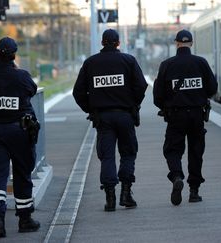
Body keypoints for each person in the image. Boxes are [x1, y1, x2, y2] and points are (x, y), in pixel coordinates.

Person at [73, 29, 148, 212]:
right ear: (118, 43)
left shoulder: (91, 63)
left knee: (107, 156)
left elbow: (78, 92)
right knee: (128, 153)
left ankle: (110, 198)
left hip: (103, 118)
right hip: (125, 115)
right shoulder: (128, 61)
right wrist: (133, 104)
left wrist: (91, 109)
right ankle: (126, 193)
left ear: (102, 42)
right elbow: (141, 85)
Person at [0, 37, 40, 238]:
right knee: (22, 174)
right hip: (19, 132)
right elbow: (31, 91)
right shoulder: (22, 76)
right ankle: (25, 219)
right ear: (14, 56)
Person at [153, 29, 218, 206]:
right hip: (197, 114)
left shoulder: (166, 65)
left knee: (172, 149)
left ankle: (176, 176)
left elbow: (157, 95)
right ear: (191, 43)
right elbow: (212, 88)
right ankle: (194, 191)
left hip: (175, 115)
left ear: (176, 43)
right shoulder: (201, 63)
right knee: (196, 151)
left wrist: (166, 106)